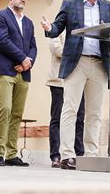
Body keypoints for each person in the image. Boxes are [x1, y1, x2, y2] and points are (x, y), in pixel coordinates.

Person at [41, 0, 110, 170]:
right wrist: (50, 29)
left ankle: (91, 154)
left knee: (94, 112)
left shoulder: (109, 7)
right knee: (70, 109)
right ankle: (67, 155)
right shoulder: (70, 4)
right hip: (77, 61)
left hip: (100, 64)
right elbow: (58, 26)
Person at [0, 0, 37, 167]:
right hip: (5, 70)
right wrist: (22, 58)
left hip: (24, 72)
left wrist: (28, 61)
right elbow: (2, 41)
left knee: (17, 114)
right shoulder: (0, 16)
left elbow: (33, 45)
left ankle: (11, 154)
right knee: (5, 109)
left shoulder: (29, 22)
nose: (23, 0)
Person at [47, 33, 85, 168]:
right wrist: (78, 54)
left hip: (79, 79)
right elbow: (56, 49)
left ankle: (79, 154)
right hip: (59, 81)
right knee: (57, 118)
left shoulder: (82, 28)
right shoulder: (57, 28)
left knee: (79, 118)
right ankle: (56, 155)